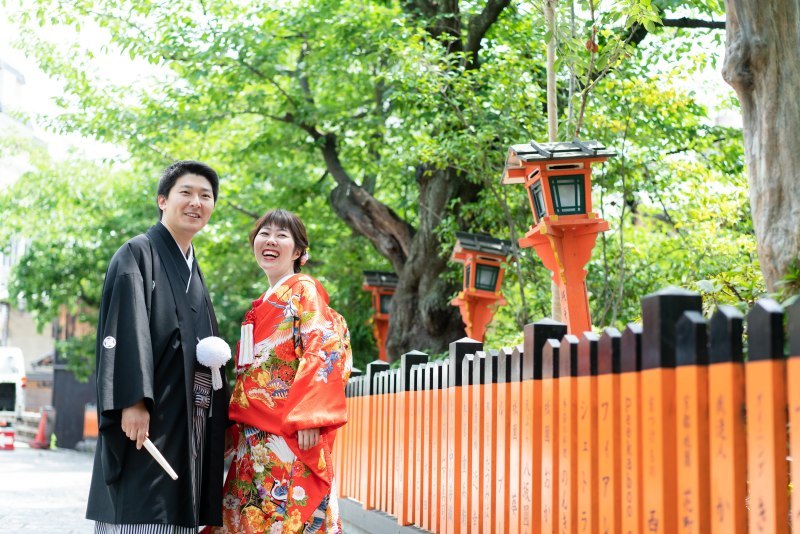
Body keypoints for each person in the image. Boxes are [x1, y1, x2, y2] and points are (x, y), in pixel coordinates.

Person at [86, 161, 230, 533]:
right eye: (186, 192)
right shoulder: (137, 254)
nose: (196, 202)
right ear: (162, 200)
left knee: (177, 514)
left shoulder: (194, 271)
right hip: (145, 421)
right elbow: (126, 328)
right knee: (142, 511)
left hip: (185, 424)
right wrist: (133, 401)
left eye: (206, 196)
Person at [210, 209, 350, 534]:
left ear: (299, 251)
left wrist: (310, 416)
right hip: (253, 437)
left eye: (282, 235)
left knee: (291, 521)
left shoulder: (304, 290)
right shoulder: (260, 306)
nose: (271, 240)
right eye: (264, 233)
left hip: (289, 433)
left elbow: (324, 345)